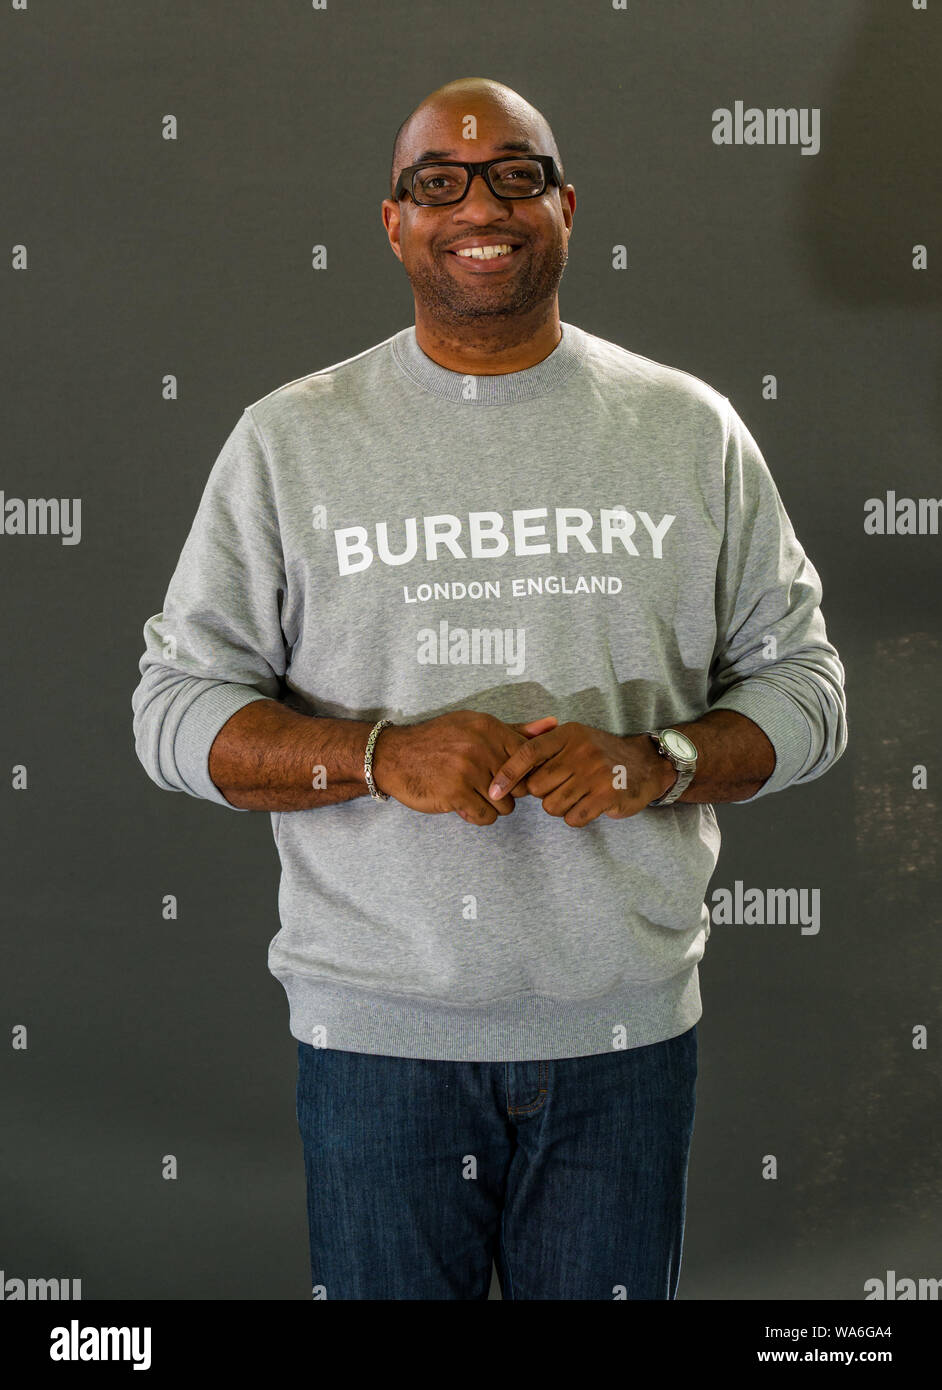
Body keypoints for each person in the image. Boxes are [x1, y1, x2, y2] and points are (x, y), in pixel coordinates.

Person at [131, 77, 847, 1300]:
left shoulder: (689, 429)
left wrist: (654, 760)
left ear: (566, 207)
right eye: (440, 182)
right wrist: (372, 757)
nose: (482, 205)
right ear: (394, 222)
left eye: (517, 175)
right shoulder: (288, 439)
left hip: (623, 1032)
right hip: (378, 1041)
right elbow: (171, 709)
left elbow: (811, 687)